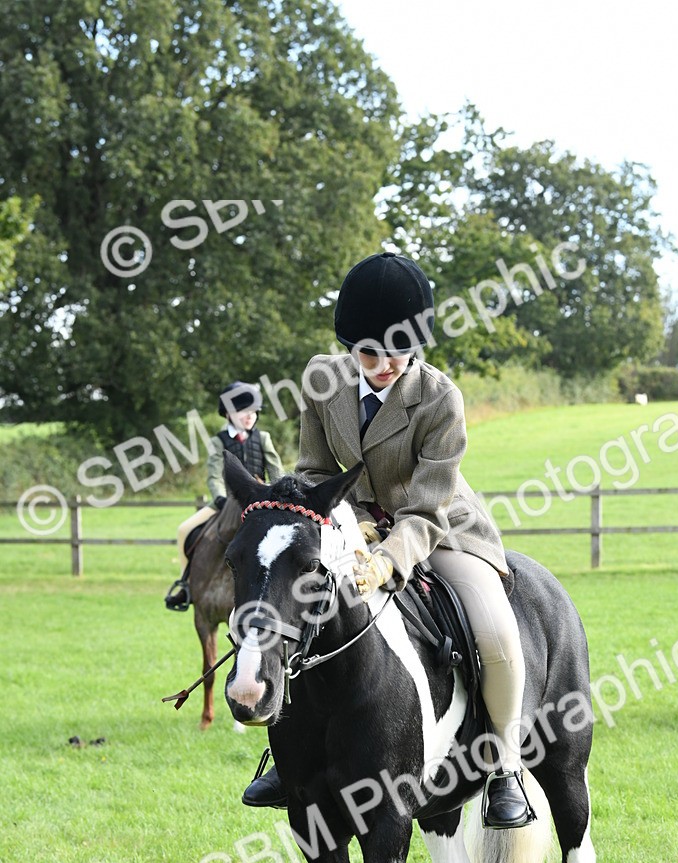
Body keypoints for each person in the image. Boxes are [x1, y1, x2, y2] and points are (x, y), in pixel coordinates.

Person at [242, 251, 534, 829]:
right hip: (350, 524)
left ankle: (504, 765)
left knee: (497, 633)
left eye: (396, 352)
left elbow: (427, 505)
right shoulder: (322, 381)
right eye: (368, 352)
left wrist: (385, 561)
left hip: (444, 528)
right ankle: (284, 755)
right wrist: (352, 530)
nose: (382, 364)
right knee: (297, 613)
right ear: (349, 345)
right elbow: (317, 471)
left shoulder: (440, 399)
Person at [165, 381, 283, 610]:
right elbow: (214, 476)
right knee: (183, 530)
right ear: (228, 414)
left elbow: (275, 469)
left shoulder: (263, 438)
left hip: (261, 501)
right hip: (227, 501)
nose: (250, 416)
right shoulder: (218, 441)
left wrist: (275, 495)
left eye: (253, 411)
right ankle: (186, 585)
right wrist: (220, 498)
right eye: (243, 411)